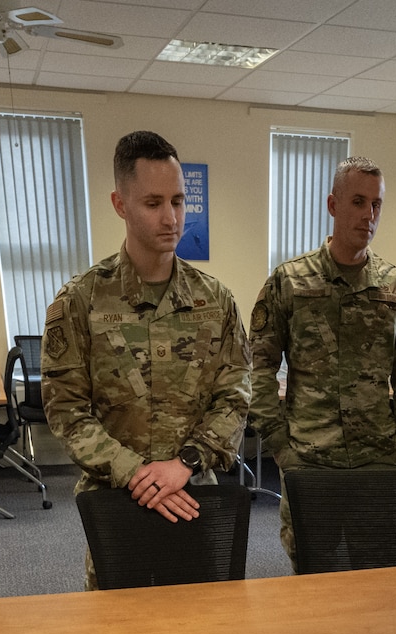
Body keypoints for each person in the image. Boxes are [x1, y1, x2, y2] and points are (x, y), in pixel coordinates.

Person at [41, 130, 249, 586]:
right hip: (115, 503)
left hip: (194, 498)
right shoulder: (81, 300)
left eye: (177, 201)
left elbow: (234, 399)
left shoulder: (215, 301)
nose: (171, 217)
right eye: (153, 203)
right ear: (120, 204)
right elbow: (67, 410)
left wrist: (186, 463)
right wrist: (135, 473)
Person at [247, 156, 396, 562]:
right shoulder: (290, 281)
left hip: (377, 459)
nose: (369, 215)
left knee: (377, 578)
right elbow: (258, 367)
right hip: (310, 458)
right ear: (332, 205)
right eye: (358, 202)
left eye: (377, 204)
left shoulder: (394, 286)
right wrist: (281, 448)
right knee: (313, 577)